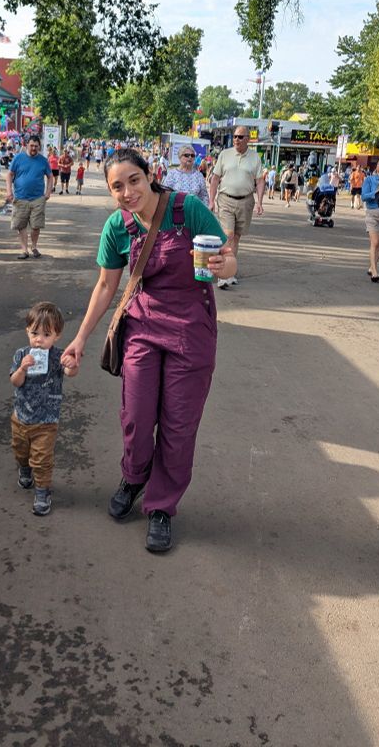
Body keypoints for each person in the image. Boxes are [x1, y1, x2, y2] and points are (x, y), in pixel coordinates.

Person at [62, 148, 237, 553]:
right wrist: (80, 338)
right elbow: (106, 286)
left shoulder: (187, 209)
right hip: (142, 327)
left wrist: (221, 268)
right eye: (117, 187)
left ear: (150, 175)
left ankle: (161, 506)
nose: (128, 192)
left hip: (192, 331)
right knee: (137, 416)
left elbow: (229, 262)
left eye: (133, 180)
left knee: (178, 426)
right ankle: (134, 475)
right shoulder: (116, 227)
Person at [10, 302, 78, 516]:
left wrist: (72, 364)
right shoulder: (22, 354)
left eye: (46, 334)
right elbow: (15, 381)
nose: (39, 339)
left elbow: (69, 373)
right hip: (20, 417)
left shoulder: (58, 356)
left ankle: (42, 491)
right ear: (27, 331)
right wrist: (22, 368)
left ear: (57, 336)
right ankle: (24, 469)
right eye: (35, 333)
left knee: (42, 458)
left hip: (47, 420)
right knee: (20, 451)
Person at [208, 126, 265, 288]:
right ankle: (222, 273)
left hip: (246, 201)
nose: (236, 140)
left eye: (240, 137)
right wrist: (212, 201)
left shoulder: (255, 157)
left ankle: (230, 271)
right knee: (228, 235)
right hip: (226, 199)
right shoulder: (225, 155)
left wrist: (260, 202)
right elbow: (215, 178)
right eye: (235, 137)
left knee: (236, 237)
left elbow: (260, 181)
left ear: (248, 139)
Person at [6, 135, 54, 260]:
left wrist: (48, 192)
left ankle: (34, 247)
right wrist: (9, 191)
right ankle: (24, 250)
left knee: (36, 225)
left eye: (36, 146)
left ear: (39, 147)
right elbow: (10, 175)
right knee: (20, 225)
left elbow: (50, 176)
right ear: (27, 145)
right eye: (31, 145)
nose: (33, 148)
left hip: (38, 198)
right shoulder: (18, 158)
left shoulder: (43, 160)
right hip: (20, 198)